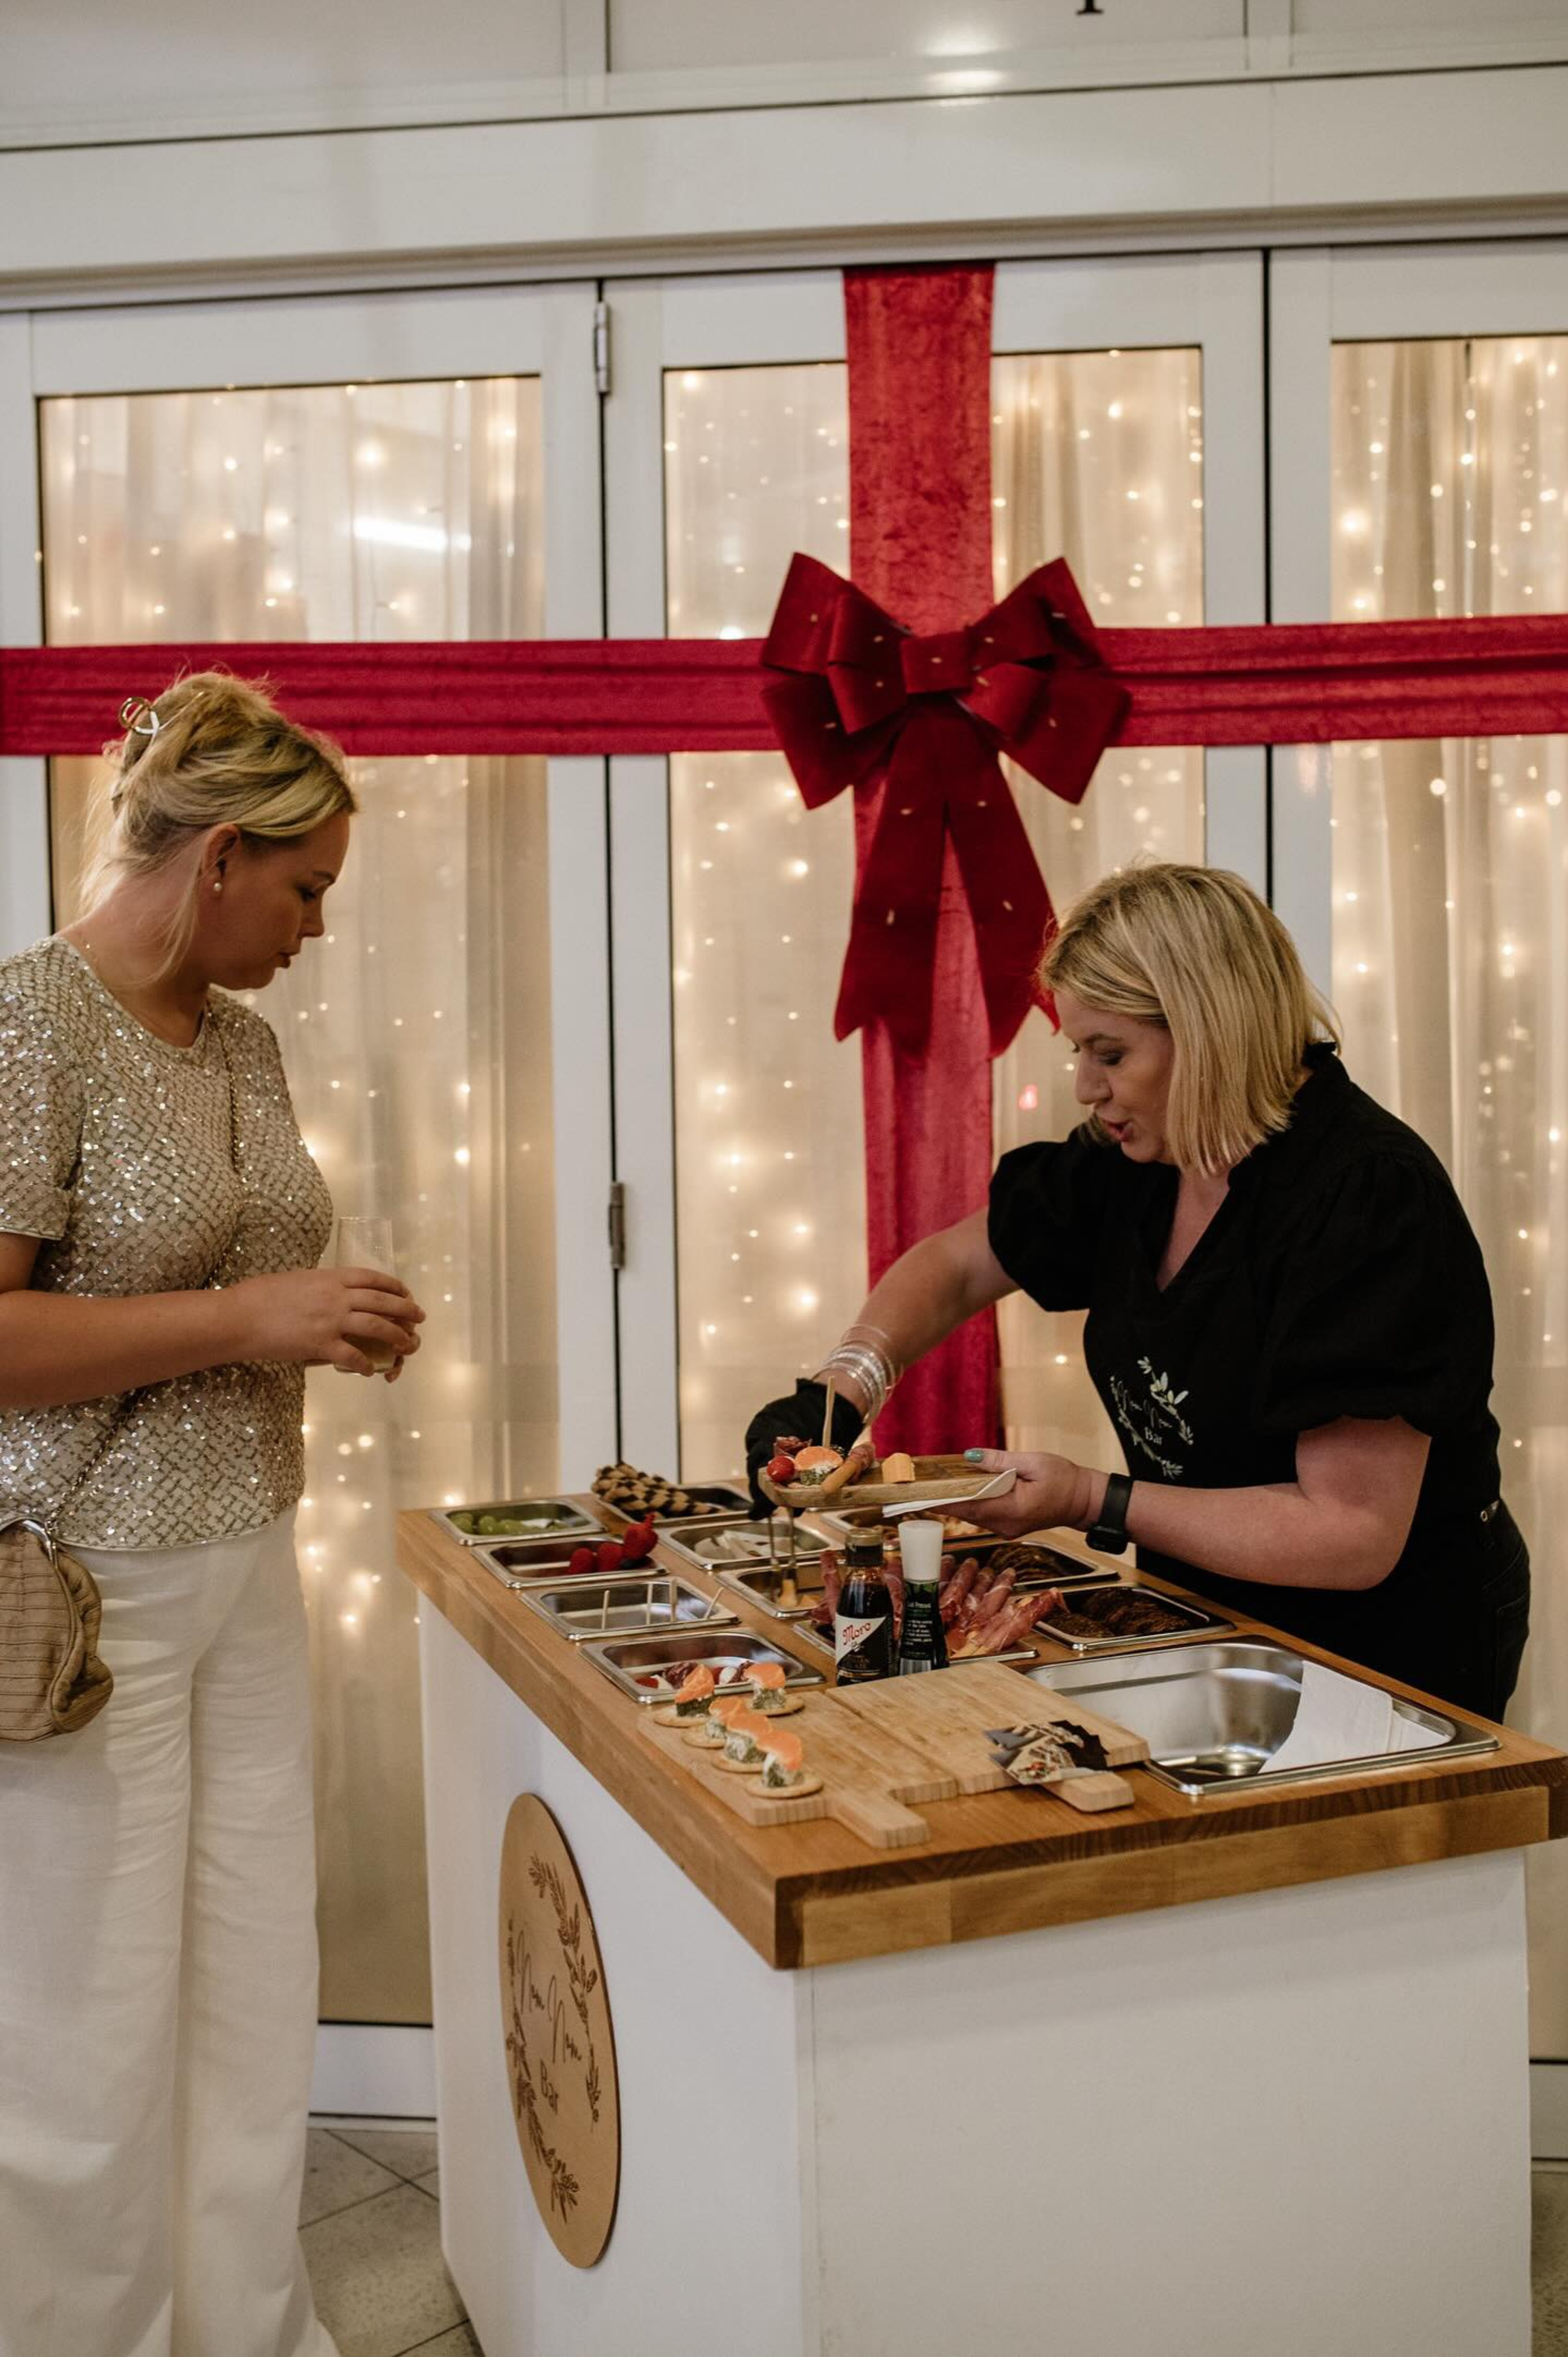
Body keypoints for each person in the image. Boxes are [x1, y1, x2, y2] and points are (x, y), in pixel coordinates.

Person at [0, 674, 426, 2357]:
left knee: (253, 2000)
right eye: (308, 887)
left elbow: (229, 1277)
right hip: (84, 1593)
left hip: (247, 1562)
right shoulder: (29, 1019)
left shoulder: (240, 1038)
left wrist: (326, 1311)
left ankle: (246, 2335)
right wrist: (257, 1321)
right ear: (225, 855)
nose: (317, 928)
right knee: (88, 2030)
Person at [746, 863, 1528, 1720]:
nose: (1086, 1086)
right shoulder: (1139, 1159)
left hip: (1391, 1634)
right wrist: (838, 1393)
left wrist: (1090, 1498)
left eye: (1109, 1053)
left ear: (1208, 1032)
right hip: (1213, 1606)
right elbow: (959, 1263)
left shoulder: (1362, 1194)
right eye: (1079, 1052)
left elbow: (1349, 1536)